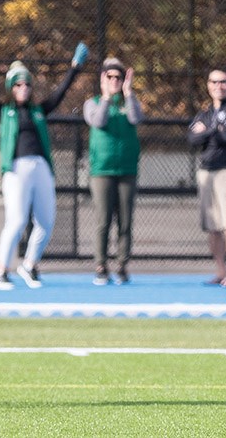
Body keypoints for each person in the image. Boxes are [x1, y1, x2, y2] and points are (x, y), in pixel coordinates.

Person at [0, 36, 88, 290]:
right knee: (17, 221)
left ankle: (29, 265)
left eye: (27, 84)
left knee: (46, 221)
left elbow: (60, 92)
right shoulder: (4, 110)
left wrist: (75, 66)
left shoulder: (39, 110)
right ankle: (1, 272)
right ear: (11, 86)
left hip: (41, 167)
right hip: (16, 170)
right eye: (18, 84)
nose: (23, 87)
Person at [83, 58, 144, 286]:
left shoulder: (129, 101)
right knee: (103, 220)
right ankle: (101, 265)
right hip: (102, 171)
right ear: (103, 79)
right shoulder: (94, 103)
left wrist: (128, 94)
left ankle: (122, 265)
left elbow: (136, 118)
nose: (115, 81)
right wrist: (107, 98)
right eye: (110, 77)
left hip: (127, 170)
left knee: (125, 221)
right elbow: (98, 121)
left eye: (118, 77)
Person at [187, 67, 226, 287]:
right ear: (208, 85)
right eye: (214, 82)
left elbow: (225, 135)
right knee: (212, 226)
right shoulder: (205, 112)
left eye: (223, 82)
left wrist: (207, 130)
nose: (218, 86)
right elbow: (192, 139)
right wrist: (212, 129)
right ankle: (220, 271)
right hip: (205, 171)